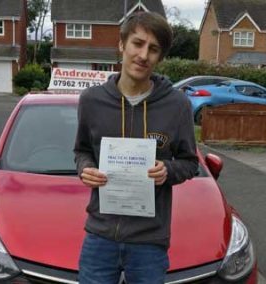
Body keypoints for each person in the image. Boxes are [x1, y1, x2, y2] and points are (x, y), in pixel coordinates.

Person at [74, 11, 198, 284]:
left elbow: (191, 163)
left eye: (153, 49)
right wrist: (86, 169)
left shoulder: (177, 106)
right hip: (100, 236)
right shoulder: (91, 101)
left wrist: (168, 170)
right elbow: (81, 150)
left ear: (160, 57)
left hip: (149, 241)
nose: (143, 55)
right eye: (137, 44)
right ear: (122, 45)